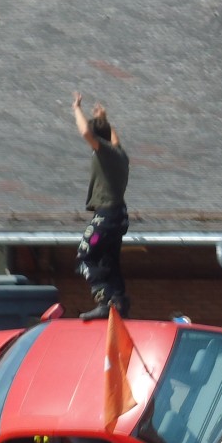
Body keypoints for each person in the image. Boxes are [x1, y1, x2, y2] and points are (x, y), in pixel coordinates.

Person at [73, 91, 130, 321]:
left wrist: (77, 108)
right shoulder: (120, 154)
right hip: (119, 217)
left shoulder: (105, 153)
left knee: (85, 255)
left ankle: (104, 299)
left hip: (106, 216)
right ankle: (119, 300)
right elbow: (111, 136)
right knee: (108, 261)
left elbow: (86, 132)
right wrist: (104, 120)